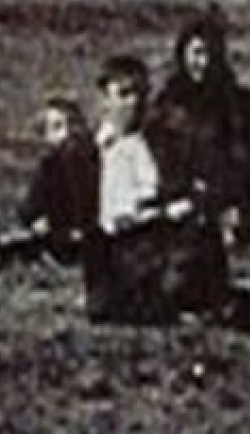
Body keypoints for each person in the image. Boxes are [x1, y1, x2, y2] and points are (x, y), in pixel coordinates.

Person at [80, 53, 228, 324]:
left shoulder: (150, 143)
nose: (133, 103)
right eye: (123, 95)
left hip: (151, 239)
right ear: (105, 101)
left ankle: (199, 301)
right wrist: (165, 213)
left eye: (139, 95)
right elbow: (117, 218)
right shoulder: (97, 152)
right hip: (120, 249)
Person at [149, 8, 250, 244]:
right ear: (182, 54)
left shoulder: (239, 104)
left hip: (225, 200)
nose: (203, 63)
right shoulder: (167, 105)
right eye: (197, 53)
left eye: (211, 54)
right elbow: (160, 161)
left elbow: (244, 162)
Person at [0, 94, 98, 268]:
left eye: (70, 125)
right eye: (56, 127)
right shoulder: (50, 166)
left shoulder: (91, 160)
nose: (66, 134)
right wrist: (38, 219)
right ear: (46, 134)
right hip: (58, 234)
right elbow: (32, 205)